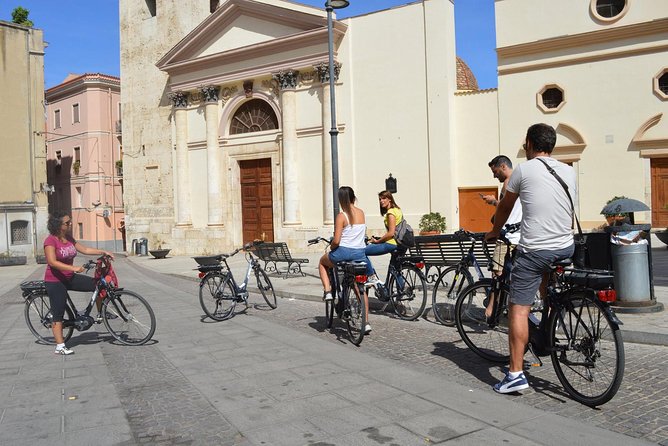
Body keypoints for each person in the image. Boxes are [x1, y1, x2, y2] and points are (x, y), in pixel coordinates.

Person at [484, 123, 576, 394]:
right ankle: (547, 328)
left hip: (536, 250)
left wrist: (494, 231)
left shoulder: (523, 169)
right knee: (546, 292)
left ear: (530, 143)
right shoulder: (569, 170)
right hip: (566, 247)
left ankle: (514, 374)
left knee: (518, 309)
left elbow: (505, 207)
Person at [44, 211, 114, 355]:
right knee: (58, 312)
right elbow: (52, 262)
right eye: (67, 222)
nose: (70, 224)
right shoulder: (50, 241)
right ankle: (60, 346)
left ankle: (101, 313)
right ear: (57, 225)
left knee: (97, 285)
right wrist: (74, 268)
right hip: (55, 281)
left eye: (70, 221)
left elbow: (85, 249)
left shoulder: (69, 238)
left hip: (69, 277)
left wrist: (103, 251)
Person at [318, 186, 372, 334]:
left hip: (343, 253)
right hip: (360, 254)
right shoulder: (361, 213)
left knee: (322, 263)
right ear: (354, 197)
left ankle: (328, 291)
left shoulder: (342, 216)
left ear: (341, 200)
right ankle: (366, 322)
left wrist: (332, 248)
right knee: (357, 285)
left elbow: (336, 240)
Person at [481, 156, 522, 319]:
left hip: (508, 235)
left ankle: (492, 308)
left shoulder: (508, 183)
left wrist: (493, 202)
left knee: (497, 273)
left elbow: (506, 208)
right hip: (521, 234)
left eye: (495, 171)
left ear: (503, 166)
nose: (494, 176)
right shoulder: (520, 180)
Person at [364, 190, 403, 285]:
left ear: (390, 199)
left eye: (384, 198)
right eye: (380, 199)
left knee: (361, 252)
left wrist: (377, 241)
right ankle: (400, 293)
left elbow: (390, 233)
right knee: (396, 269)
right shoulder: (398, 210)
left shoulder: (391, 213)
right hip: (400, 244)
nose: (381, 201)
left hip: (392, 244)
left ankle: (371, 276)